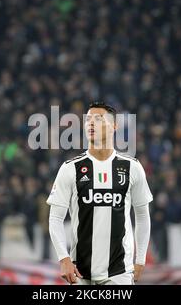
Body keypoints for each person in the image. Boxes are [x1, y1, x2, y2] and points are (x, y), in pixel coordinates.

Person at [47, 102, 153, 285]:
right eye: (88, 120)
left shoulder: (132, 168)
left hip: (119, 271)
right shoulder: (70, 169)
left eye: (98, 119)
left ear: (114, 126)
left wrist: (140, 260)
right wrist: (63, 259)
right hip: (80, 271)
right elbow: (55, 219)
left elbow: (142, 216)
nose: (91, 124)